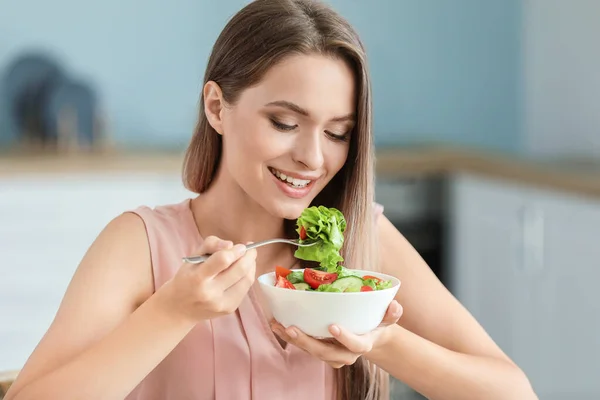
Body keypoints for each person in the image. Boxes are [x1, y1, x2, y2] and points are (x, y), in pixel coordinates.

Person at [5, 0, 537, 399]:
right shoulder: (139, 245)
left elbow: (512, 392)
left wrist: (376, 342)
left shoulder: (361, 237)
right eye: (285, 122)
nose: (311, 157)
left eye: (338, 132)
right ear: (217, 106)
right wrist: (170, 312)